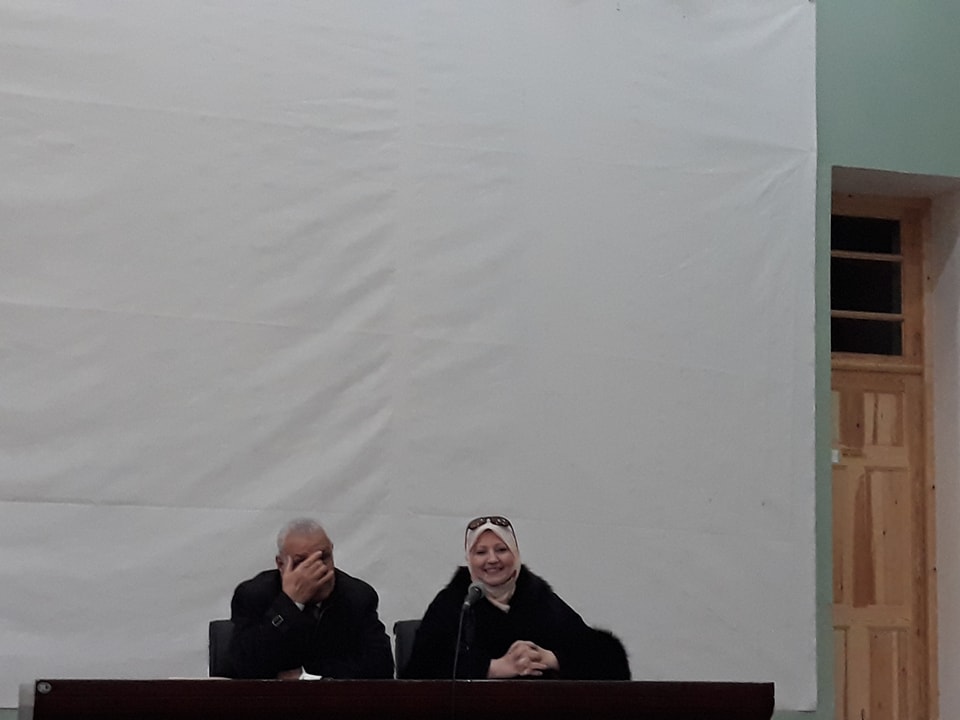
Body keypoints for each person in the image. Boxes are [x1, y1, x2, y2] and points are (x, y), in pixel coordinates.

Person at [402, 515, 630, 680]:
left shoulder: (539, 599)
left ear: (515, 554)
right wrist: (493, 668)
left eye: (501, 550)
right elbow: (418, 672)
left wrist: (551, 658)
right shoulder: (454, 603)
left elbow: (610, 661)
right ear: (469, 560)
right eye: (481, 552)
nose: (492, 559)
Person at [227, 518, 394, 679]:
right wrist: (289, 605)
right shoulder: (254, 595)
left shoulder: (357, 596)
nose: (317, 571)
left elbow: (381, 668)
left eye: (323, 558)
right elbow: (244, 667)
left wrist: (306, 674)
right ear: (281, 564)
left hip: (334, 696)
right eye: (301, 562)